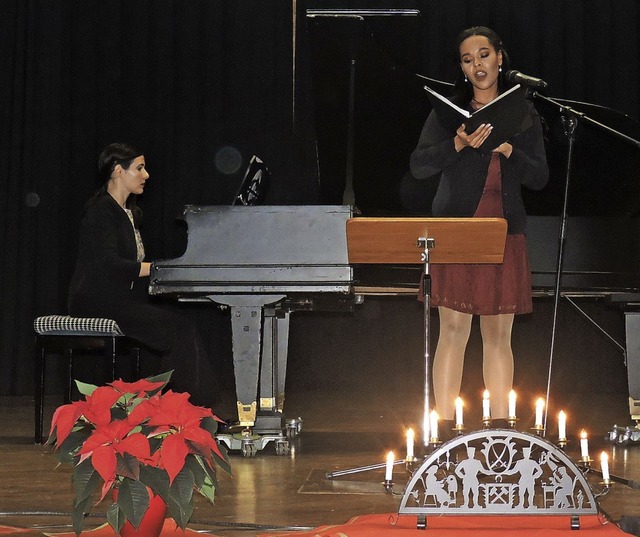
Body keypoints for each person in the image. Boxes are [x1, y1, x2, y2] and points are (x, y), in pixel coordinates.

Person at [410, 27, 549, 422]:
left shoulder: (523, 113)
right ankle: (443, 431)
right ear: (462, 68)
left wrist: (510, 151)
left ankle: (500, 431)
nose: (478, 65)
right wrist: (457, 144)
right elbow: (418, 166)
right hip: (458, 229)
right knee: (452, 331)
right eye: (468, 60)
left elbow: (540, 178)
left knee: (498, 335)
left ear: (500, 58)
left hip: (504, 230)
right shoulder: (447, 114)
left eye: (484, 55)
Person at [67, 142, 217, 406]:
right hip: (95, 302)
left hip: (118, 301)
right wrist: (158, 268)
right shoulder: (102, 212)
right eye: (139, 168)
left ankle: (178, 407)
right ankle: (186, 408)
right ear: (117, 171)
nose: (146, 175)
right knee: (178, 329)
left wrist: (160, 272)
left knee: (179, 328)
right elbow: (108, 265)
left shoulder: (128, 214)